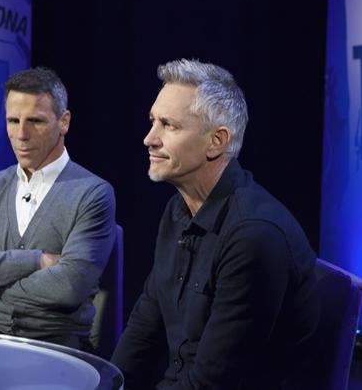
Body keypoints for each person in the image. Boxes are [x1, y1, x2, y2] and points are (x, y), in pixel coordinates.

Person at [111, 59, 319, 389]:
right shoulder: (177, 210)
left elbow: (214, 381)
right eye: (153, 122)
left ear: (216, 142)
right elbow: (145, 324)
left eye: (169, 125)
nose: (149, 139)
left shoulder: (254, 235)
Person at [0, 67, 116, 351]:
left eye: (35, 121)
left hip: (56, 347)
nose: (21, 134)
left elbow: (69, 287)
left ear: (64, 122)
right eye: (13, 121)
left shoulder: (93, 193)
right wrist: (38, 261)